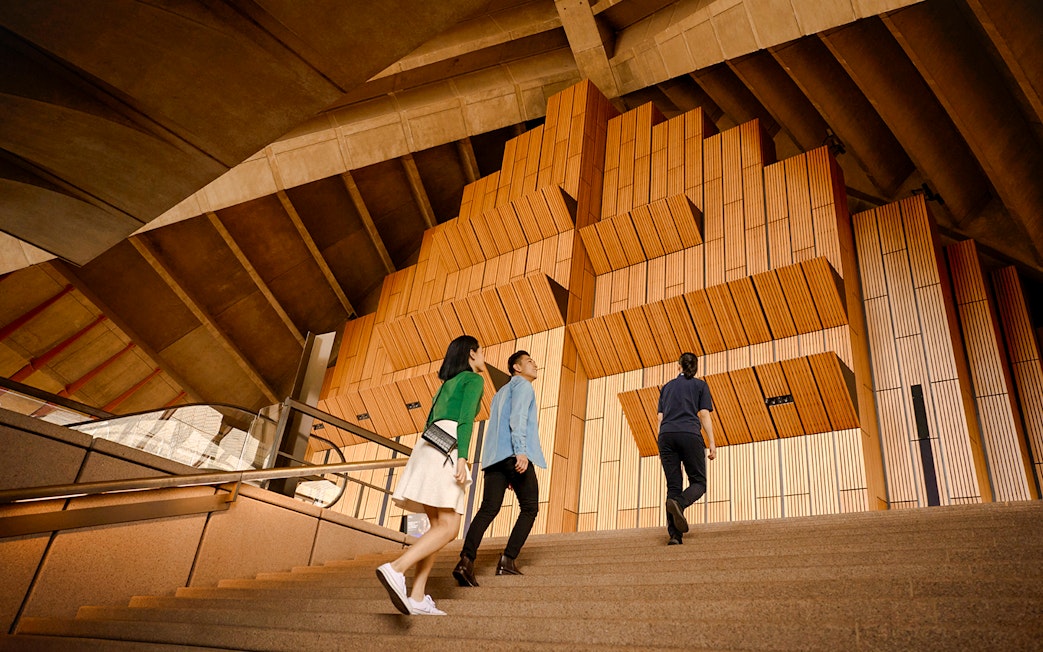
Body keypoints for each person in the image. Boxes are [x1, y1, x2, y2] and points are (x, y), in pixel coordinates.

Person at [376, 335, 485, 616]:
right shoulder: (473, 380)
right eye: (481, 351)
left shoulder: (445, 385)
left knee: (436, 527)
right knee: (449, 528)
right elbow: (465, 420)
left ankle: (417, 596)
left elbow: (427, 422)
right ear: (472, 354)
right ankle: (396, 568)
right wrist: (462, 456)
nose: (483, 357)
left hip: (426, 447)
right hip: (448, 448)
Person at [453, 350, 545, 586]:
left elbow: (497, 427)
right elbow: (518, 419)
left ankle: (466, 560)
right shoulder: (523, 387)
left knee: (488, 509)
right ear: (516, 367)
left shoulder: (500, 393)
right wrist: (520, 452)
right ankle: (507, 561)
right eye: (529, 362)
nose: (535, 365)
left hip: (493, 459)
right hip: (514, 453)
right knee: (530, 507)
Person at [657, 352, 716, 546]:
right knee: (699, 483)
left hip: (666, 436)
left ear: (678, 366)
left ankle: (675, 536)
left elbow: (660, 418)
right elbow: (705, 415)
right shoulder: (700, 385)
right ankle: (680, 504)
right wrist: (712, 443)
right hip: (689, 434)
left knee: (673, 486)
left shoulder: (666, 388)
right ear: (695, 368)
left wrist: (660, 444)